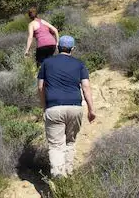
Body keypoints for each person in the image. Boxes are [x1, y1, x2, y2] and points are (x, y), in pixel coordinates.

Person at [37, 35, 96, 178]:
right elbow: (86, 87)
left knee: (56, 145)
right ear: (73, 49)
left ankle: (58, 174)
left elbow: (40, 87)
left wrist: (44, 107)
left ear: (57, 47)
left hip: (54, 107)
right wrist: (91, 109)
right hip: (75, 107)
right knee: (70, 142)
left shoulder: (46, 63)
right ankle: (68, 173)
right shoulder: (79, 64)